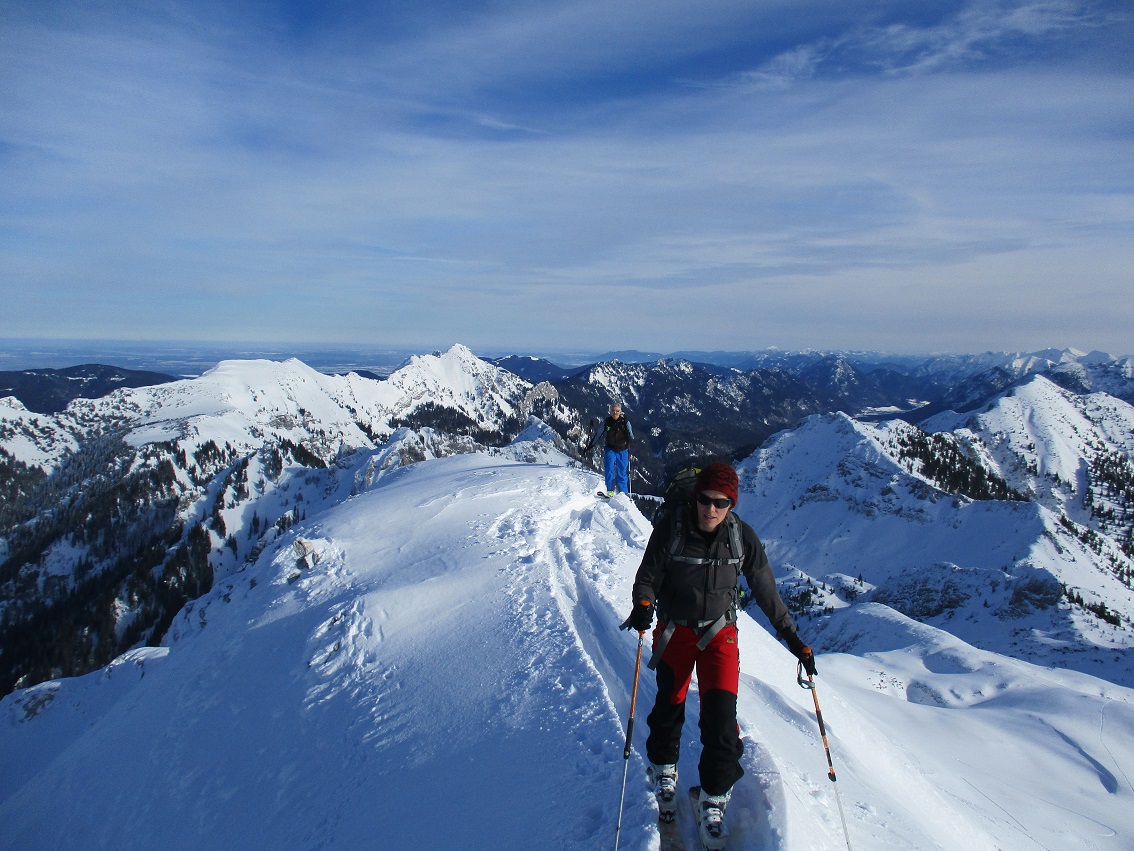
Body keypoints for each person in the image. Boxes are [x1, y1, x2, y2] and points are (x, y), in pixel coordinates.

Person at [622, 462, 815, 850]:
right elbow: (648, 576)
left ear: (731, 504)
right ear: (696, 497)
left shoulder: (742, 538)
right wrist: (643, 603)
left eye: (721, 502)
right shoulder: (672, 529)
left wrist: (794, 640)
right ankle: (664, 770)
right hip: (675, 630)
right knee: (669, 705)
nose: (711, 509)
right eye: (705, 499)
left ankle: (712, 798)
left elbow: (766, 591)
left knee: (722, 721)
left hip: (719, 635)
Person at [585, 403, 634, 497]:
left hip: (623, 450)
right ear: (610, 412)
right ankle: (610, 491)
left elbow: (631, 435)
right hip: (610, 448)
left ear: (620, 412)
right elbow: (599, 433)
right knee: (609, 469)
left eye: (617, 411)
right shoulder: (607, 422)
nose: (615, 413)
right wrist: (591, 445)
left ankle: (624, 494)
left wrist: (630, 439)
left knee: (622, 472)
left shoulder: (625, 422)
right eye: (613, 411)